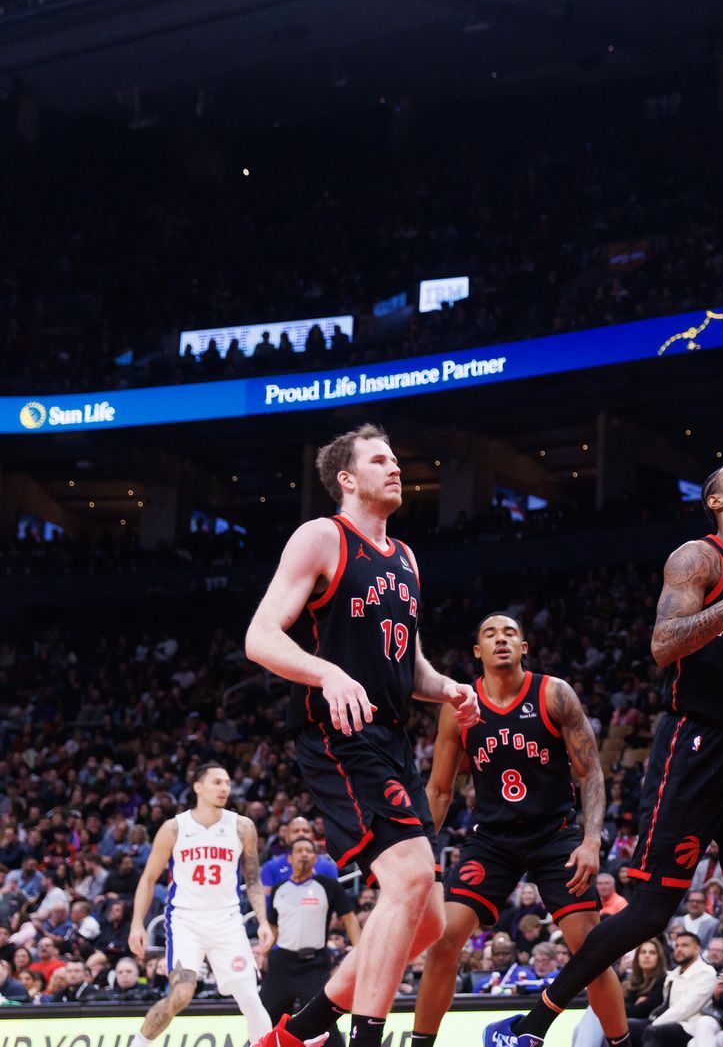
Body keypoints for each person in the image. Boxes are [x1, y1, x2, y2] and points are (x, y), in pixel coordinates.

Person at [488, 461, 723, 1047]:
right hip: (693, 745)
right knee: (649, 910)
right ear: (715, 501)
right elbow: (663, 644)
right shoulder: (696, 559)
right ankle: (533, 1020)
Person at [246, 424, 482, 1047]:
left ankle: (291, 1037)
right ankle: (366, 1040)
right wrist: (326, 673)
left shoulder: (404, 559)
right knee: (406, 882)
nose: (395, 466)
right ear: (347, 479)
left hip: (393, 738)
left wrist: (452, 689)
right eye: (379, 460)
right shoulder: (322, 537)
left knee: (427, 923)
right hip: (340, 733)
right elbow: (261, 636)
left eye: (396, 458)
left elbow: (411, 668)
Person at [416, 615, 625, 1047]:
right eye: (490, 634)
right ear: (478, 652)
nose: (501, 640)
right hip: (492, 839)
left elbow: (591, 774)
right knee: (444, 941)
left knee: (591, 951)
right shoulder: (460, 707)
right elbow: (438, 789)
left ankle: (624, 1043)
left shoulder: (554, 693)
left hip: (555, 834)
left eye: (510, 633)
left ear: (524, 646)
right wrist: (418, 854)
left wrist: (590, 840)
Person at [128, 765, 275, 1047]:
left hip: (228, 920)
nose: (224, 789)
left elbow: (253, 880)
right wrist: (137, 924)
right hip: (185, 921)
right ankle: (138, 1043)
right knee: (181, 995)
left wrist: (263, 921)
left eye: (228, 783)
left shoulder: (242, 826)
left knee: (250, 996)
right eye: (217, 782)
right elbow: (147, 879)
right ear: (198, 787)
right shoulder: (174, 828)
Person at [262, 837, 359, 1047]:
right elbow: (273, 928)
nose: (304, 854)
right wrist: (262, 952)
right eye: (299, 850)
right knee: (262, 1018)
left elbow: (349, 919)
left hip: (314, 965)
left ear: (315, 858)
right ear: (290, 858)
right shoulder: (279, 888)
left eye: (308, 850)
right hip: (282, 965)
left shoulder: (328, 886)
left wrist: (360, 950)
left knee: (325, 1021)